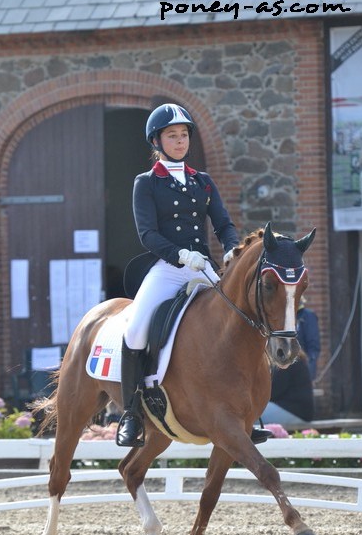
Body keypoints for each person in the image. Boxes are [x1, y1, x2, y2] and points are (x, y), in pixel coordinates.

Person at [117, 103, 271, 447]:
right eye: (172, 136)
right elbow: (148, 234)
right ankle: (130, 414)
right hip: (169, 269)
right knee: (136, 331)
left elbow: (223, 223)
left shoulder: (202, 181)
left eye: (184, 135)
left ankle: (252, 412)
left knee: (242, 322)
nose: (179, 141)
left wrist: (232, 248)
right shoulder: (146, 183)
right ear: (157, 141)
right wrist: (180, 255)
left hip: (204, 269)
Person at [260, 297, 320, 425]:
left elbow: (273, 391)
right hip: (293, 409)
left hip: (295, 411)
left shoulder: (289, 360)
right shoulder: (292, 358)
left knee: (252, 415)